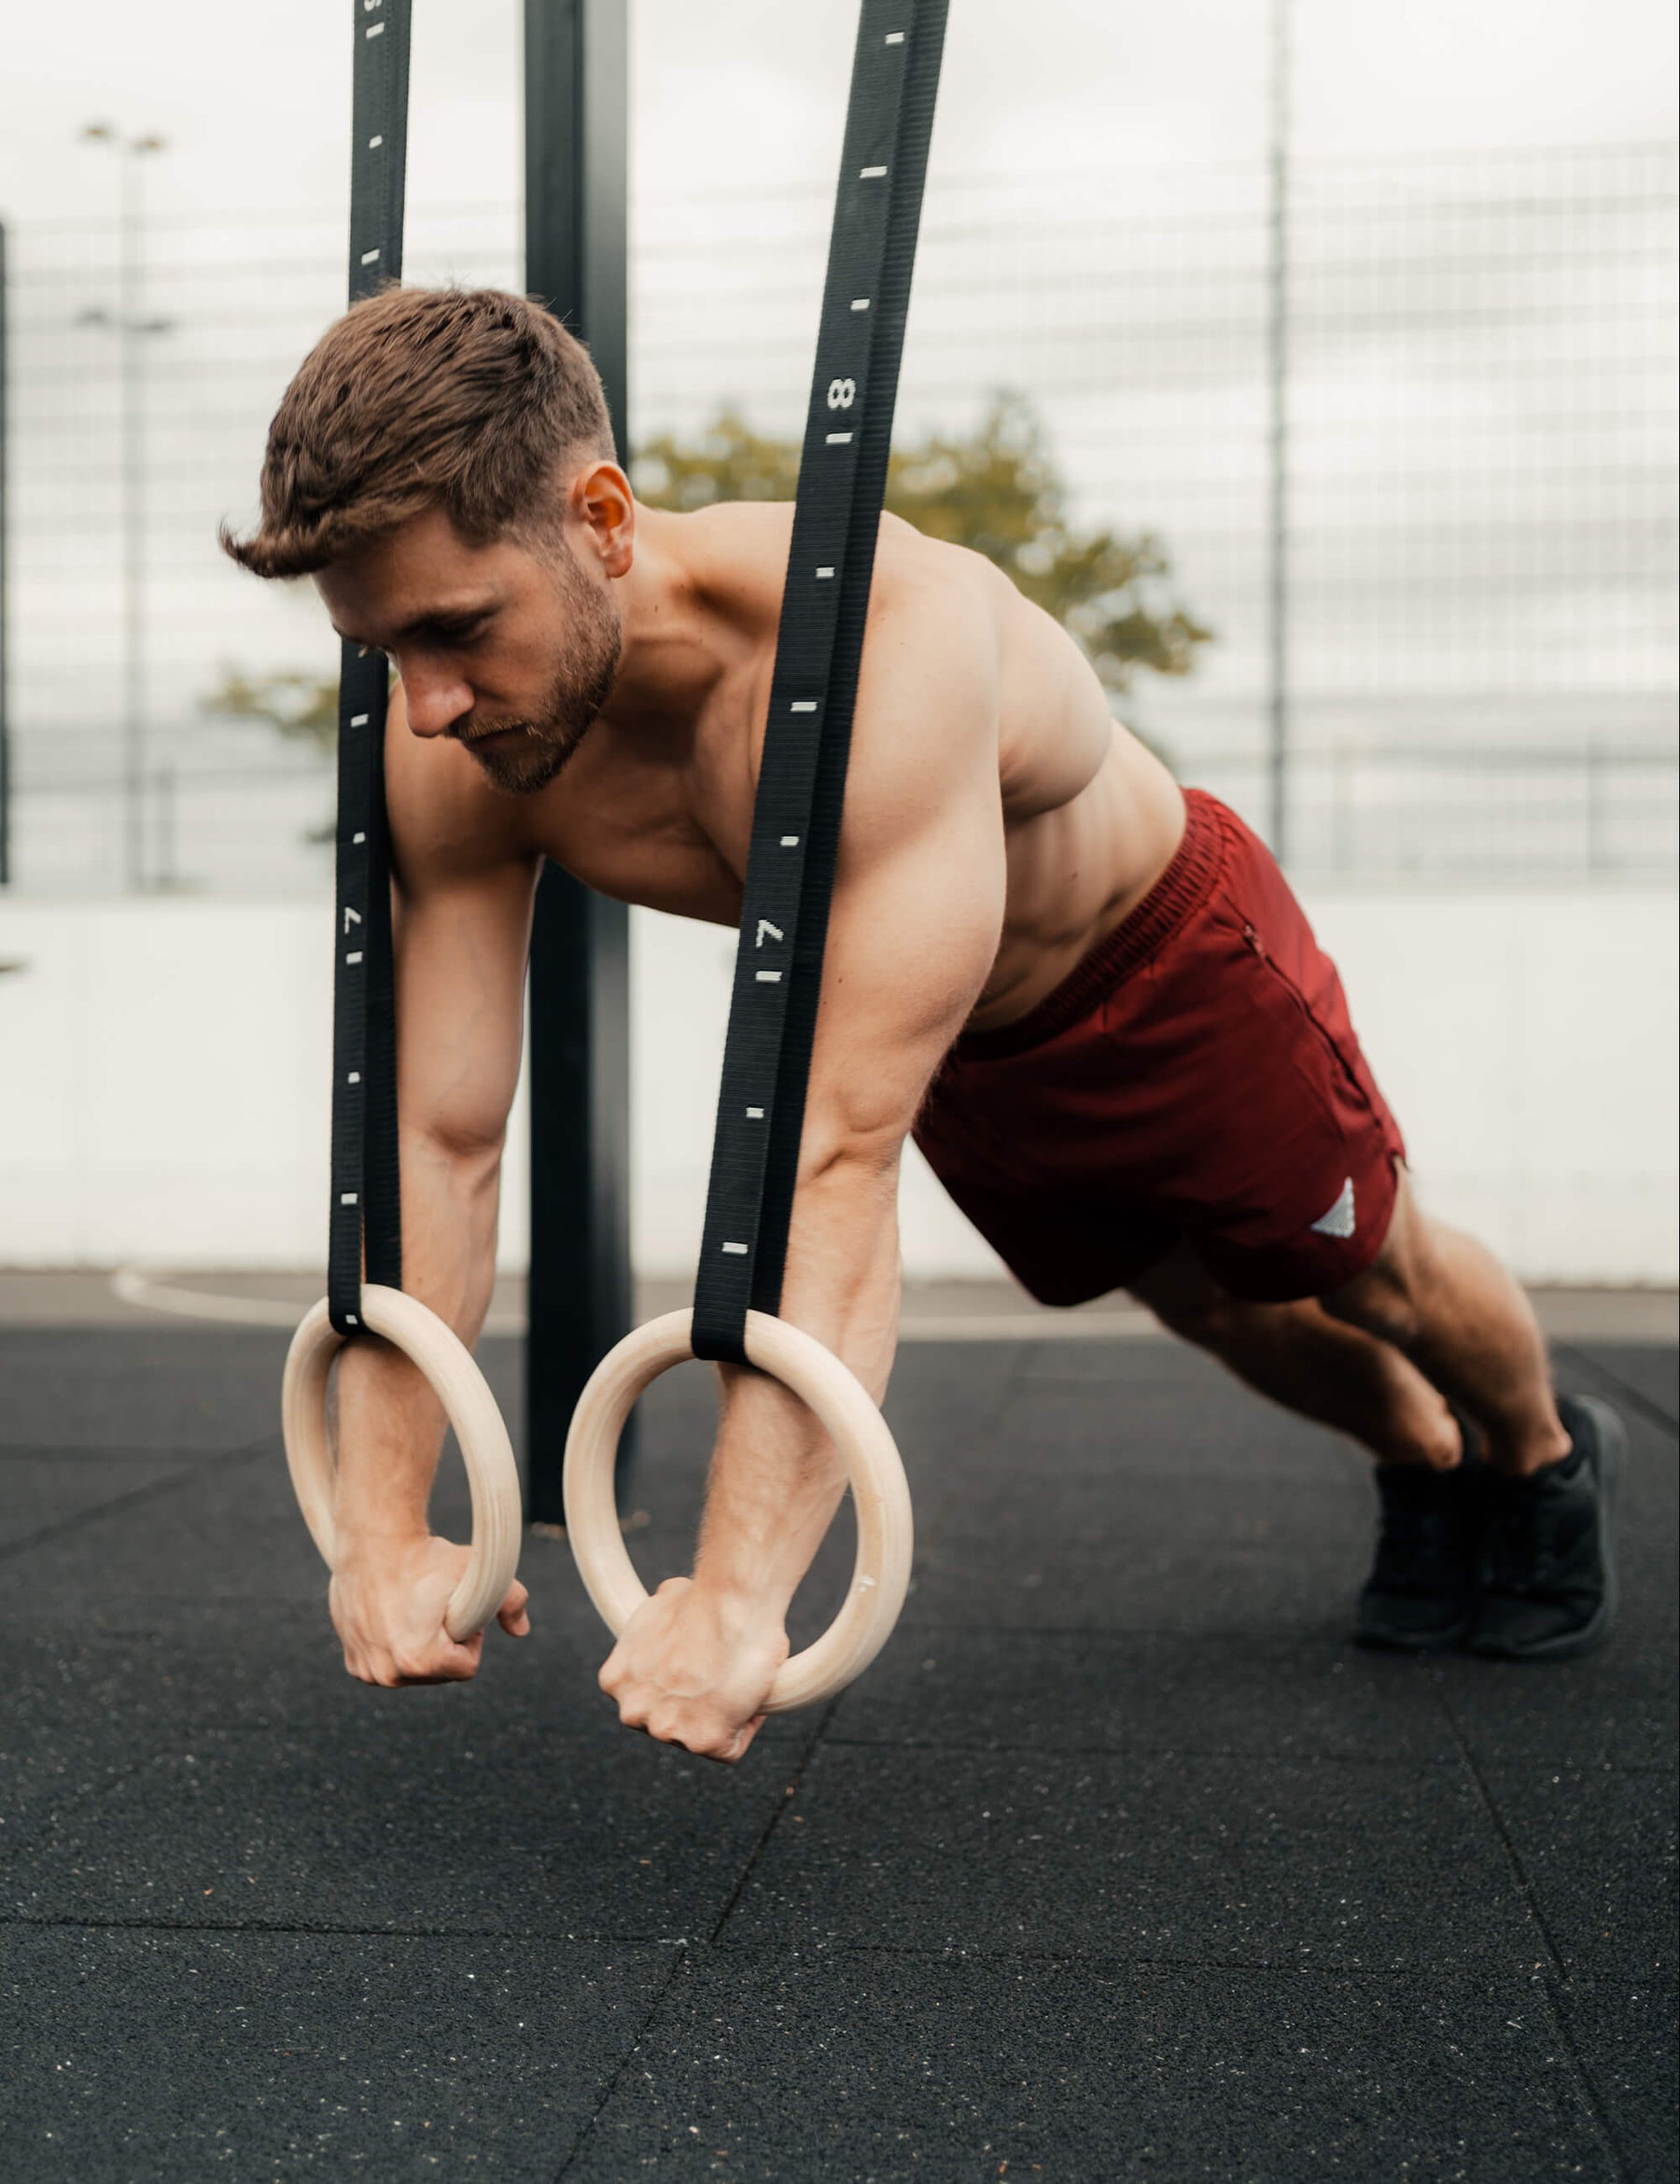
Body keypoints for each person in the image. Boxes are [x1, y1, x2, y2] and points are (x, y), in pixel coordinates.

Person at [225, 287, 1623, 1762]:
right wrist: (377, 1526)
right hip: (957, 1038)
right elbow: (438, 1137)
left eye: (454, 628)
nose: (426, 705)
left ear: (605, 518)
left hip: (1161, 958)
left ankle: (1535, 1464)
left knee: (1368, 1271)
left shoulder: (876, 644)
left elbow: (831, 1153)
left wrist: (743, 1594)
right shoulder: (454, 746)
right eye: (383, 649)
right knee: (1207, 1303)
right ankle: (1425, 1457)